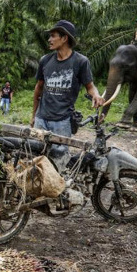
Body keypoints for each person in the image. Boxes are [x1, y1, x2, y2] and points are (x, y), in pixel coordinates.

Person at [31, 20, 104, 167]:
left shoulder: (80, 62)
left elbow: (90, 86)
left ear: (64, 38)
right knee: (36, 161)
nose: (49, 40)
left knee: (59, 164)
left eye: (53, 36)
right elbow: (38, 89)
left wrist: (96, 95)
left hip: (62, 121)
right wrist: (33, 116)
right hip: (41, 119)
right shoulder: (45, 60)